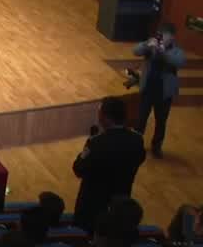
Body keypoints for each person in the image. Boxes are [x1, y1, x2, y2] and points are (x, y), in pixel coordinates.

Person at [72, 97, 145, 232]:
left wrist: (87, 148)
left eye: (99, 113)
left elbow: (78, 169)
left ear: (106, 118)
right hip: (120, 205)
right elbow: (140, 159)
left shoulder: (96, 143)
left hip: (92, 207)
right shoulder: (137, 140)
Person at [132, 23, 186, 157]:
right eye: (160, 35)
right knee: (140, 119)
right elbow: (136, 51)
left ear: (172, 38)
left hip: (164, 94)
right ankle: (135, 144)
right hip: (147, 90)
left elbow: (179, 62)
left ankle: (156, 146)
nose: (161, 39)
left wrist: (163, 53)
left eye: (165, 36)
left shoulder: (177, 51)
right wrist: (146, 45)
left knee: (161, 122)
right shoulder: (152, 45)